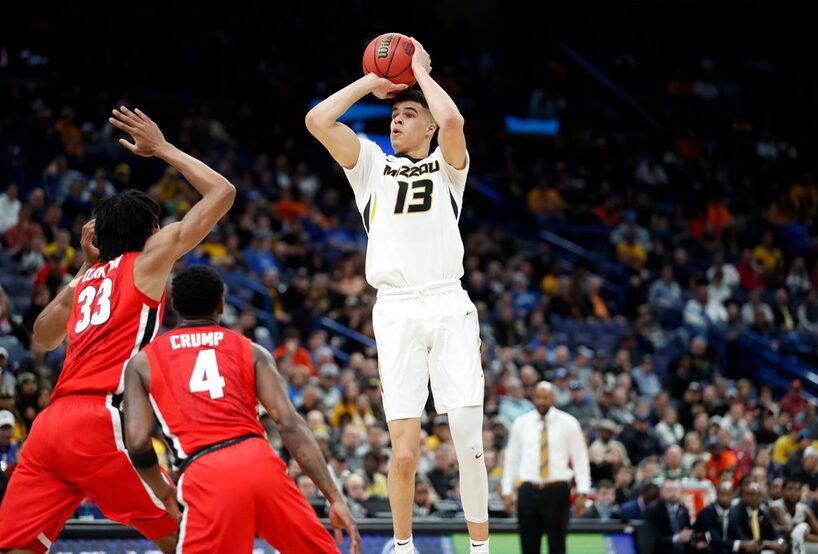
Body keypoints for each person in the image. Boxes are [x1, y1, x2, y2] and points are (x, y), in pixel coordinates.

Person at [0, 107, 236, 554]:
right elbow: (222, 192)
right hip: (101, 421)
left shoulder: (85, 279)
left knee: (17, 547)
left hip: (49, 428)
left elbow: (42, 336)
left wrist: (84, 267)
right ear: (148, 231)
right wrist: (162, 147)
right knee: (191, 537)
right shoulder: (148, 259)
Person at [306, 37, 489, 553]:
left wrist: (422, 74)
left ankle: (480, 548)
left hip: (448, 303)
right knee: (404, 452)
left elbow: (453, 124)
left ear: (427, 126)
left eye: (408, 115)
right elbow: (318, 121)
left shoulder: (449, 168)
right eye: (395, 114)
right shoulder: (369, 165)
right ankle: (403, 547)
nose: (396, 120)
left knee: (470, 445)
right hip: (396, 310)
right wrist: (374, 82)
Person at [123, 265, 359, 553]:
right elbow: (289, 423)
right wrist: (334, 497)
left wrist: (164, 492)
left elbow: (136, 442)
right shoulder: (252, 350)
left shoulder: (143, 362)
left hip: (205, 470)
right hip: (261, 463)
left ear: (174, 305)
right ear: (222, 304)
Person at [501, 382, 591, 554]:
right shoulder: (521, 423)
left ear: (553, 398)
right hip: (528, 490)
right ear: (532, 398)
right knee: (528, 546)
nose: (542, 401)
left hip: (556, 491)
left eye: (546, 397)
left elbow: (580, 459)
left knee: (557, 546)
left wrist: (583, 491)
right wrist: (506, 489)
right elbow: (512, 458)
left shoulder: (569, 423)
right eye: (538, 397)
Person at [768, 477, 818, 554]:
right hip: (778, 545)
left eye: (797, 490)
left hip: (797, 545)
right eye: (790, 489)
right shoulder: (775, 507)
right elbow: (791, 532)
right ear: (782, 491)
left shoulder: (804, 509)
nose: (794, 493)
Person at [727, 479, 787, 553]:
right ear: (743, 496)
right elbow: (743, 539)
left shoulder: (762, 512)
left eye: (759, 495)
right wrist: (766, 543)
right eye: (751, 494)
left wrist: (779, 542)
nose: (755, 498)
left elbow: (774, 533)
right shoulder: (735, 512)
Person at [645, 479, 698, 554]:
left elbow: (687, 531)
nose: (673, 494)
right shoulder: (654, 509)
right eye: (669, 490)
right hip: (661, 549)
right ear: (662, 492)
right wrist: (676, 538)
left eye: (676, 490)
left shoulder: (683, 509)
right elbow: (652, 538)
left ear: (681, 492)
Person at [693, 480, 736, 554]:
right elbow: (713, 539)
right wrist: (738, 544)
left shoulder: (734, 512)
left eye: (728, 495)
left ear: (733, 496)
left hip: (726, 548)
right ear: (716, 494)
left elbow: (737, 533)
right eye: (722, 495)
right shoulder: (706, 512)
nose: (725, 499)